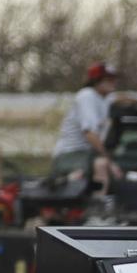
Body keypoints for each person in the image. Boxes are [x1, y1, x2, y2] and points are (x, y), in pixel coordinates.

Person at [50, 61, 121, 196]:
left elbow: (123, 98)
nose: (113, 82)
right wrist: (109, 159)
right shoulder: (87, 96)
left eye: (114, 79)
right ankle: (99, 207)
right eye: (108, 79)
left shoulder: (106, 97)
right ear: (96, 81)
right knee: (102, 164)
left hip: (86, 155)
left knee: (107, 164)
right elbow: (89, 133)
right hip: (69, 155)